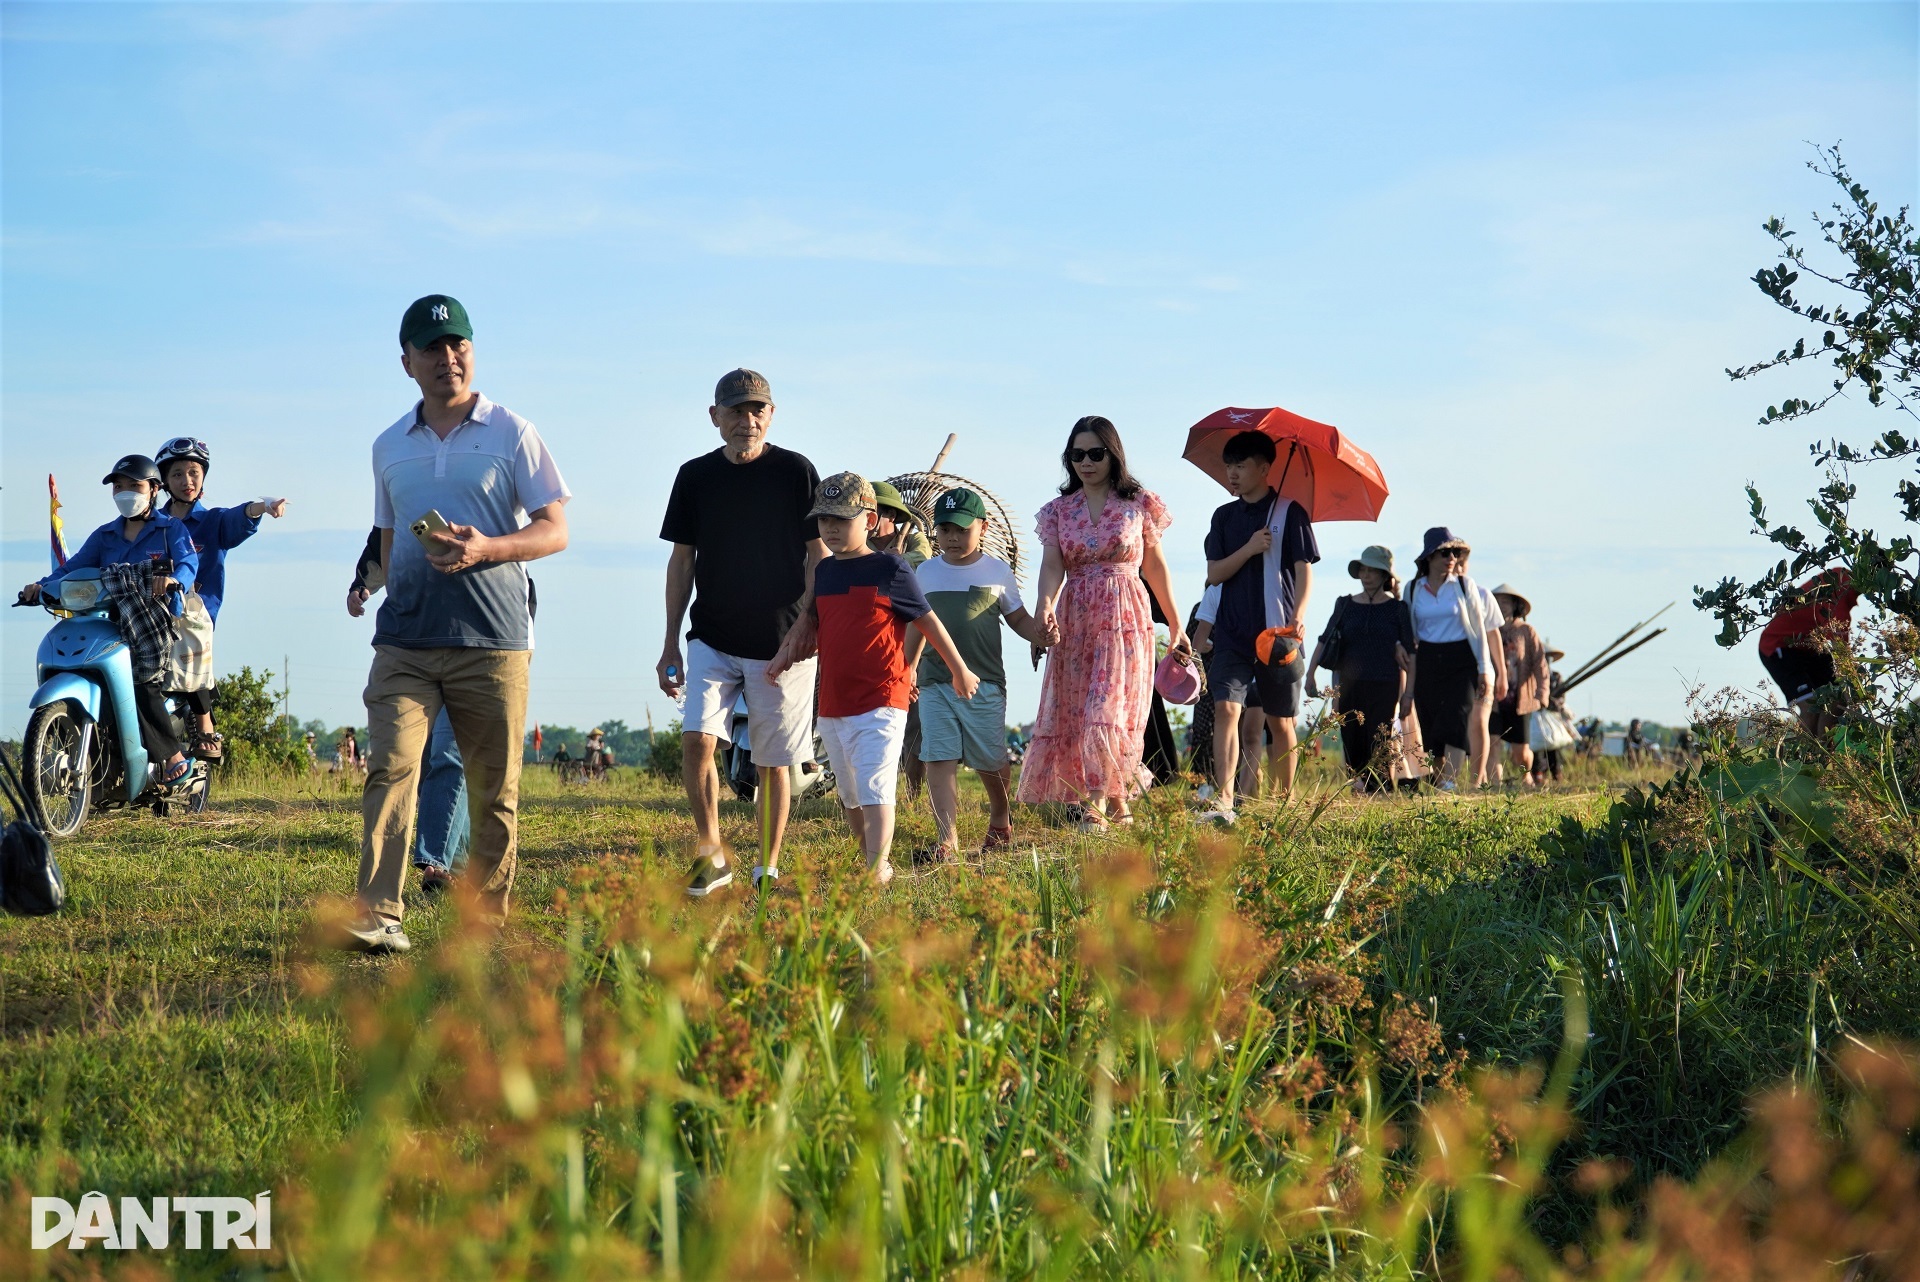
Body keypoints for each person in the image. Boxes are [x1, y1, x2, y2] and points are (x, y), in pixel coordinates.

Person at [336, 294, 571, 954]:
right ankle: (381, 914)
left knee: (494, 788)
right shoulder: (388, 446)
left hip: (492, 641)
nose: (449, 358)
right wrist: (368, 583)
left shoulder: (513, 433)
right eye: (433, 349)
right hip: (405, 640)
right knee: (389, 769)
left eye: (459, 345)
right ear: (406, 362)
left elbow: (555, 531)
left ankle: (486, 921)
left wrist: (486, 549)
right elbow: (388, 537)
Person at [660, 369, 825, 896]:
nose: (746, 420)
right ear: (715, 417)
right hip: (710, 633)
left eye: (757, 410)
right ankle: (712, 853)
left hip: (783, 639)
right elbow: (681, 560)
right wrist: (669, 639)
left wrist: (808, 623)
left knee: (774, 760)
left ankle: (766, 867)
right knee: (696, 741)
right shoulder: (694, 477)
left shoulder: (796, 472)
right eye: (734, 410)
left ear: (771, 415)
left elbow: (818, 555)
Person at [768, 472, 977, 884]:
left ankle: (876, 867)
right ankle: (868, 856)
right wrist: (778, 661)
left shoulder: (891, 567)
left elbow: (928, 621)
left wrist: (960, 669)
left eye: (840, 519)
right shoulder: (824, 572)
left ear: (869, 517)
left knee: (875, 785)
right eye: (823, 520)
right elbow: (810, 626)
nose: (829, 528)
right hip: (832, 703)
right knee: (849, 794)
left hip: (883, 697)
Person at [1018, 416, 1189, 831]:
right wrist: (1044, 607)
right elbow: (1052, 566)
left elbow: (1157, 568)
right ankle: (1118, 808)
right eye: (1077, 455)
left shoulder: (1140, 504)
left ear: (1113, 455)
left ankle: (1093, 808)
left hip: (1126, 615)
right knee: (1079, 711)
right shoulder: (1059, 511)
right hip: (1076, 616)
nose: (1086, 462)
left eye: (1095, 453)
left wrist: (1178, 626)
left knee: (1109, 708)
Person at [20, 454, 198, 784]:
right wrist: (41, 586)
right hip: (108, 622)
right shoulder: (104, 536)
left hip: (152, 618)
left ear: (154, 490)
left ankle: (172, 754)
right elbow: (70, 569)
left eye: (134, 485)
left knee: (141, 680)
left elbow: (188, 563)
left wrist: (175, 581)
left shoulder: (169, 529)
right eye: (119, 486)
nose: (125, 492)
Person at [900, 487, 1054, 864]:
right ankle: (946, 840)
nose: (952, 537)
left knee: (989, 758)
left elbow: (1016, 617)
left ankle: (1000, 815)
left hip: (983, 683)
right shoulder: (926, 572)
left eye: (962, 529)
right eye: (945, 529)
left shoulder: (996, 571)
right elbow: (919, 625)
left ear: (982, 528)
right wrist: (906, 670)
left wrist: (1040, 632)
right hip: (935, 681)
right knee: (938, 756)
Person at [1198, 430, 1319, 821]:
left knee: (1281, 721)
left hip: (1278, 635)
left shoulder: (1290, 512)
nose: (1232, 473)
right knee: (1226, 711)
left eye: (1241, 465)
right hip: (1232, 635)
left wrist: (1298, 616)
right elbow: (1214, 573)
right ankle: (1225, 800)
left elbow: (1305, 571)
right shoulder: (1223, 516)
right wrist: (1249, 547)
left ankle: (1283, 804)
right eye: (1229, 465)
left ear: (1264, 468)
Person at [348, 525, 469, 893]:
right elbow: (387, 532)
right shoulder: (409, 483)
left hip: (480, 638)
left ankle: (435, 862)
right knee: (432, 756)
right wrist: (361, 584)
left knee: (451, 750)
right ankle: (459, 863)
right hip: (417, 642)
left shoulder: (487, 489)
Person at [152, 437, 288, 761]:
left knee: (188, 629)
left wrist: (263, 507)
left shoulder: (211, 522)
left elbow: (236, 518)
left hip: (196, 612)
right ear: (164, 482)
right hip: (151, 612)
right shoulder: (151, 525)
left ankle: (205, 723)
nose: (187, 481)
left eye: (194, 473)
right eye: (178, 475)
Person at [1305, 545, 1415, 795]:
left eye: (1372, 571)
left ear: (1385, 575)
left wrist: (1409, 693)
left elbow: (1411, 652)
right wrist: (1310, 672)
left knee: (1379, 739)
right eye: (1363, 570)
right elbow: (1325, 639)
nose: (1366, 575)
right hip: (1349, 683)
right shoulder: (1345, 605)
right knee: (1351, 738)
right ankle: (1359, 788)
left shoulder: (1397, 609)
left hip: (1385, 683)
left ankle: (1381, 790)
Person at [1404, 528, 1505, 791]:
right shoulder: (1413, 588)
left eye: (1455, 552)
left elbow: (1480, 630)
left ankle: (1449, 781)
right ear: (1429, 557)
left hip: (1462, 659)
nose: (1451, 557)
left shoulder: (1464, 585)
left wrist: (1485, 670)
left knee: (1456, 718)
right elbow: (1408, 631)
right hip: (1427, 658)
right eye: (1444, 552)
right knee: (1433, 725)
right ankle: (1438, 780)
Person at [1757, 568, 1860, 735]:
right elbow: (1841, 650)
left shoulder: (1840, 576)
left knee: (1836, 699)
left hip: (1809, 645)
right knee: (1811, 704)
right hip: (1780, 646)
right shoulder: (1838, 590)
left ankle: (1823, 755)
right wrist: (1855, 685)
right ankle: (1803, 758)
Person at [1487, 584, 1550, 787]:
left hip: (1520, 699)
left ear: (1515, 605)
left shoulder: (1526, 631)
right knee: (1492, 744)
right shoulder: (1488, 630)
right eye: (1497, 601)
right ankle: (1494, 785)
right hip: (1493, 698)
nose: (1501, 605)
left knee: (1519, 752)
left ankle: (1526, 776)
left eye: (1506, 601)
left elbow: (1540, 664)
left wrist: (1542, 692)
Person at [1530, 649, 1572, 786]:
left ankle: (1556, 775)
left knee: (1554, 748)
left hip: (1552, 717)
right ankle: (1537, 777)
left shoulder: (1556, 676)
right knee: (1537, 749)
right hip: (1535, 716)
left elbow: (1561, 699)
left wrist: (1550, 700)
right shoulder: (1531, 676)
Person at [870, 481, 934, 567]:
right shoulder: (856, 543)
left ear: (891, 515)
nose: (866, 520)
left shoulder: (913, 540)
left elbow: (923, 557)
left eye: (872, 513)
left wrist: (898, 558)